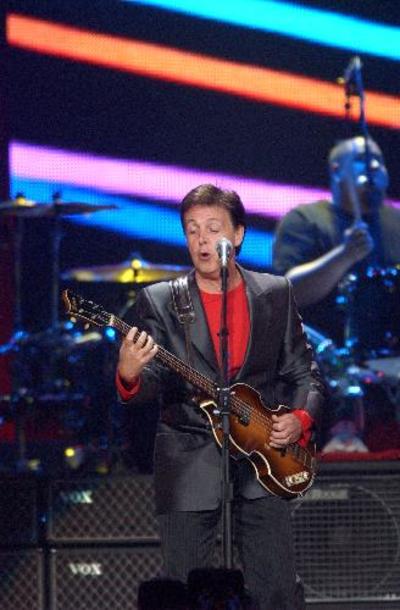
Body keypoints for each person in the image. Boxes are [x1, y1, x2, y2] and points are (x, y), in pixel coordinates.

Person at [116, 183, 326, 610]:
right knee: (182, 589)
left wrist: (300, 419)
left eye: (213, 229)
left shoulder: (274, 293)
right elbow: (151, 382)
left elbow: (306, 374)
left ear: (238, 234)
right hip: (189, 456)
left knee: (276, 590)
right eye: (192, 230)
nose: (202, 240)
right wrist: (129, 375)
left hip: (265, 456)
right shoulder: (160, 300)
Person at [272, 135, 400, 348]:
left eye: (379, 160)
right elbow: (289, 294)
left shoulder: (396, 222)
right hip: (322, 355)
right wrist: (345, 255)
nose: (374, 166)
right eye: (363, 159)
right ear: (337, 170)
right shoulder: (305, 219)